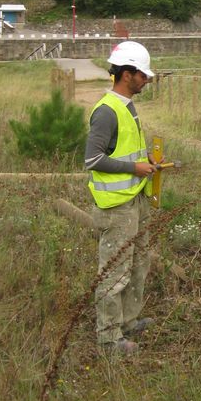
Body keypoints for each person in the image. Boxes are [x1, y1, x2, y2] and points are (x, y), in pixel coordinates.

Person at [85, 40, 160, 355]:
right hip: (116, 207)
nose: (147, 79)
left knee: (138, 264)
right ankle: (108, 339)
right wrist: (135, 167)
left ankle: (129, 321)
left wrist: (146, 167)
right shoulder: (106, 111)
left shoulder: (127, 105)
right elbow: (93, 159)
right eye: (142, 74)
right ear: (126, 73)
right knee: (115, 272)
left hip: (135, 199)